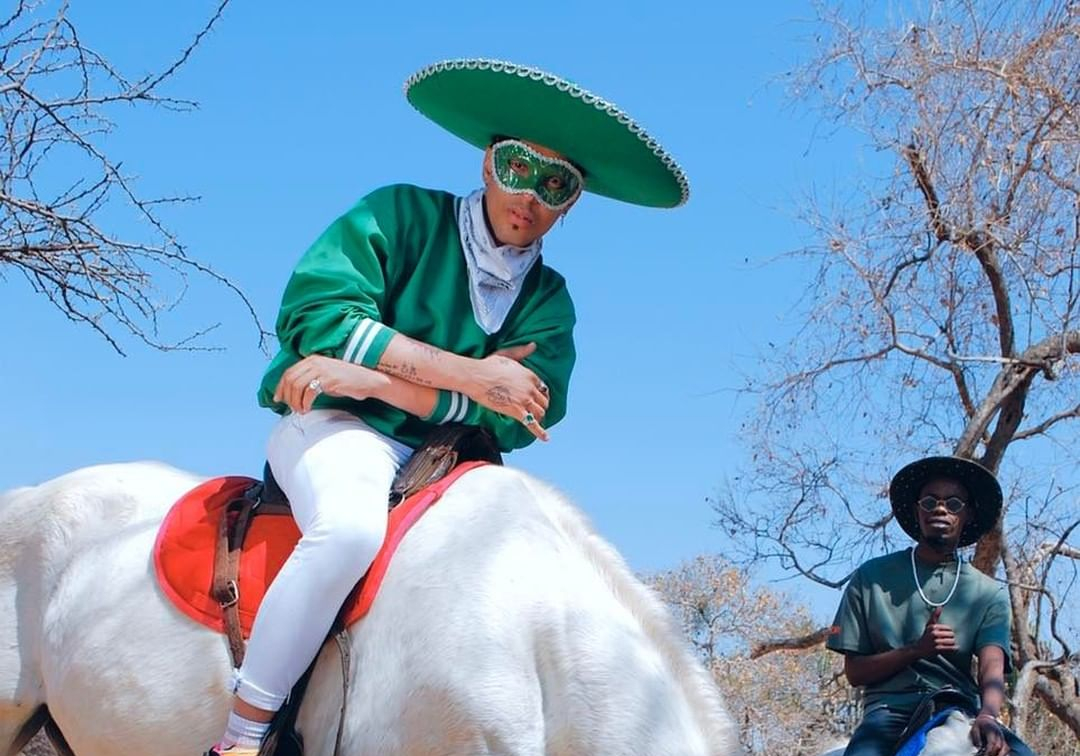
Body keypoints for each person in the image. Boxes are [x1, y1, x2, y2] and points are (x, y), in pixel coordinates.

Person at [203, 58, 689, 755]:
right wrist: (475, 377)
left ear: (571, 203)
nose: (530, 196)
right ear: (490, 163)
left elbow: (520, 415)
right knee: (348, 532)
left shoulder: (549, 301)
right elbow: (320, 319)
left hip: (446, 461)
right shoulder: (401, 214)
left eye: (556, 184)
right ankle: (242, 735)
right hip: (335, 426)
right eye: (519, 168)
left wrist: (373, 377)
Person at [826, 456, 1037, 756]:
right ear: (917, 511)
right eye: (929, 501)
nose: (940, 509)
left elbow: (991, 666)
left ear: (968, 514)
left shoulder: (989, 593)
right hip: (888, 712)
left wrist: (988, 715)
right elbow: (855, 672)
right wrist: (915, 650)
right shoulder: (871, 578)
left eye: (953, 503)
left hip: (959, 707)